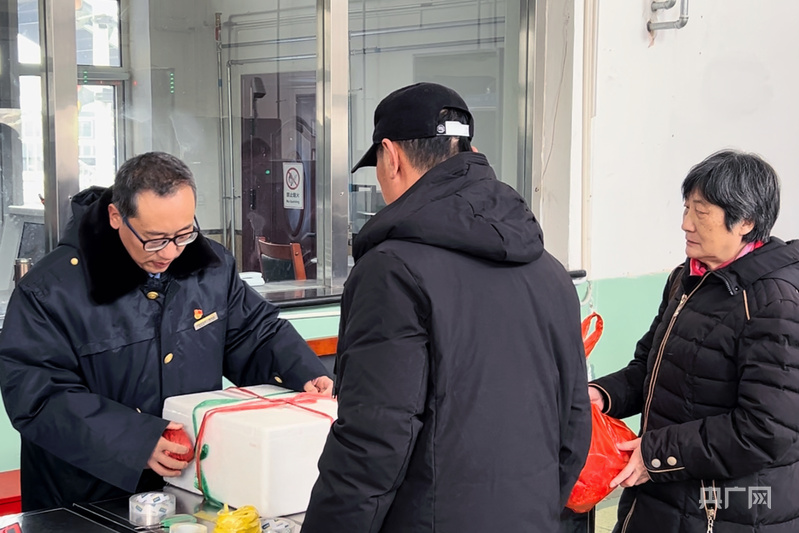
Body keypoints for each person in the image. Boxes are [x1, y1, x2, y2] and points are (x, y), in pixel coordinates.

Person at [302, 82, 591, 533]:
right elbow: (574, 421)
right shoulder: (549, 271)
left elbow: (373, 443)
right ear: (469, 150)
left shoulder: (391, 271)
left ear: (391, 156)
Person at [0, 151, 333, 511]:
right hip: (86, 498)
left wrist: (304, 374)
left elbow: (255, 334)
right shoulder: (50, 290)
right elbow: (39, 396)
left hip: (188, 485)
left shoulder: (209, 267)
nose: (170, 252)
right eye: (154, 239)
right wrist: (136, 442)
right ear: (116, 216)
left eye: (183, 234)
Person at [589, 150, 799, 532]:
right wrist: (602, 396)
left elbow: (765, 430)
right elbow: (649, 370)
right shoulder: (687, 279)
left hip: (725, 511)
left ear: (746, 222)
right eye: (686, 208)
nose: (685, 223)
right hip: (661, 496)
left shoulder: (774, 302)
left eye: (701, 213)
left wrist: (657, 455)